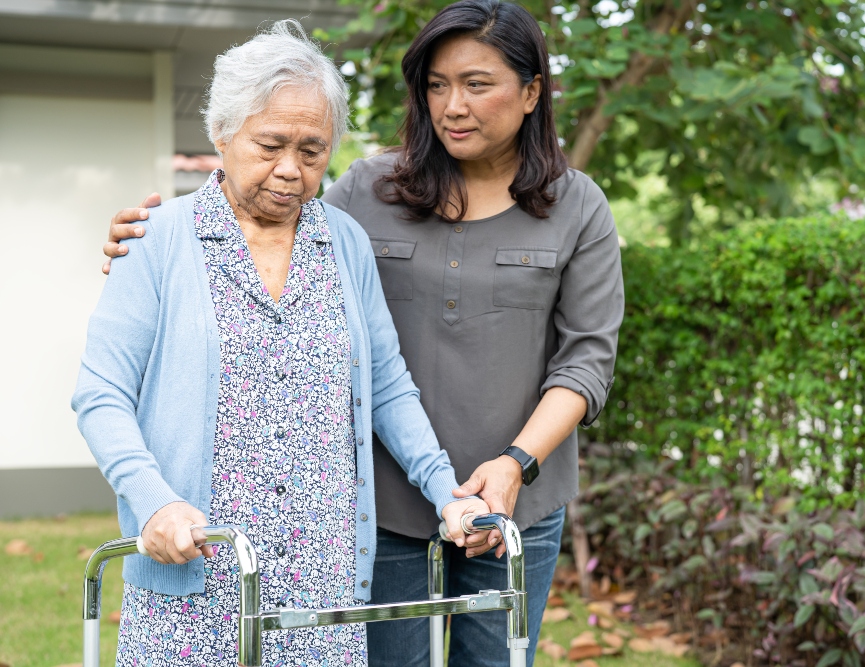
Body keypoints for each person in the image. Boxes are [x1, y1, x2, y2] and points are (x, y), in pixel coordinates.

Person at [102, 2, 624, 665]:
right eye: (437, 85)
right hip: (384, 504)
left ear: (531, 92)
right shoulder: (370, 190)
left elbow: (584, 361)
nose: (453, 105)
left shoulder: (577, 206)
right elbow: (262, 216)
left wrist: (515, 463)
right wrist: (141, 240)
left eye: (477, 84)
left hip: (510, 498)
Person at [74, 20, 494, 666]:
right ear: (221, 133)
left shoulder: (345, 243)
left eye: (313, 149)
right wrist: (152, 502)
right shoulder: (156, 239)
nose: (291, 170)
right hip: (196, 574)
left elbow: (385, 384)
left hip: (320, 586)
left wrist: (447, 491)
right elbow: (100, 395)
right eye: (270, 144)